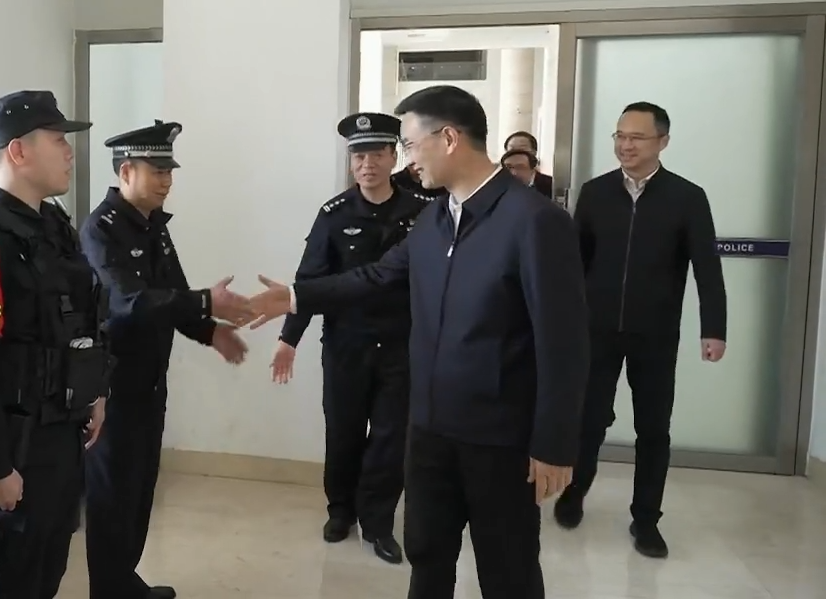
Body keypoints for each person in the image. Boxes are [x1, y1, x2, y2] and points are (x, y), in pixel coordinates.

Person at [246, 85, 590, 599]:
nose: (406, 160)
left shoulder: (535, 220)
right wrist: (297, 297)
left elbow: (564, 341)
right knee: (427, 557)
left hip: (499, 437)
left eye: (408, 144)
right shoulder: (434, 218)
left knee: (508, 570)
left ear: (448, 138)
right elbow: (377, 276)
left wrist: (555, 444)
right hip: (428, 429)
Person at [0, 90, 114, 599]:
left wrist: (96, 391)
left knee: (46, 571)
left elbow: (81, 321)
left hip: (61, 434)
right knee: (7, 580)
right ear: (18, 151)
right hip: (14, 443)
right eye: (58, 140)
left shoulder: (54, 227)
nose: (69, 152)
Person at [80, 120, 250, 599]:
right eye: (157, 171)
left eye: (169, 171)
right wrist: (206, 303)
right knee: (112, 497)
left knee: (139, 490)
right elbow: (129, 302)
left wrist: (210, 330)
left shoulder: (153, 225)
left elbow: (172, 294)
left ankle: (124, 581)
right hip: (112, 389)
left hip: (150, 382)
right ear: (126, 172)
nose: (167, 181)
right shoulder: (100, 231)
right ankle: (109, 591)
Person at [555, 101, 727, 559]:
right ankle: (574, 493)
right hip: (596, 330)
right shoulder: (595, 192)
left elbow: (707, 268)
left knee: (653, 428)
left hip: (655, 334)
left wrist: (714, 328)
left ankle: (646, 518)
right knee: (587, 421)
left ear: (662, 142)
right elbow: (574, 264)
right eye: (620, 136)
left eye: (636, 137)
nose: (625, 145)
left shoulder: (687, 197)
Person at [271, 112, 425, 564]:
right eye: (358, 156)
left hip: (400, 346)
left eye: (376, 154)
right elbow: (309, 280)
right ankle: (341, 511)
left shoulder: (421, 210)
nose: (367, 164)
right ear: (350, 161)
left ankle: (378, 523)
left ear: (393, 157)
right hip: (346, 345)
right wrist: (289, 339)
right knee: (343, 432)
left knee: (391, 439)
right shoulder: (334, 214)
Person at [503, 131, 553, 198]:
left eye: (522, 149)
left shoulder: (551, 185)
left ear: (534, 152)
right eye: (512, 149)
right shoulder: (498, 184)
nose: (517, 152)